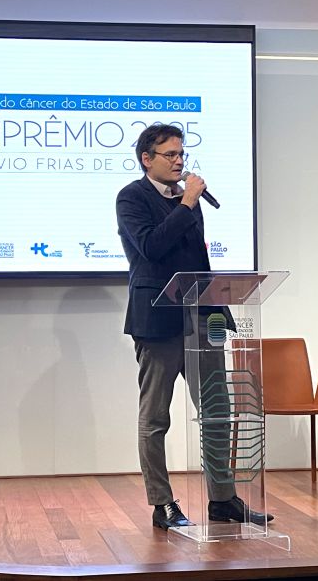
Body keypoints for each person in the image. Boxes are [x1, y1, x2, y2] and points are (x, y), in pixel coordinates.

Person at [116, 123, 273, 530]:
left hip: (202, 319)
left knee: (218, 412)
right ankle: (162, 503)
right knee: (156, 418)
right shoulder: (132, 197)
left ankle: (223, 498)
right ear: (147, 159)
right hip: (158, 320)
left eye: (181, 154)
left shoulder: (189, 202)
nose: (179, 161)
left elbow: (197, 263)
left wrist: (218, 308)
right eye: (170, 154)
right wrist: (186, 203)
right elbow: (151, 247)